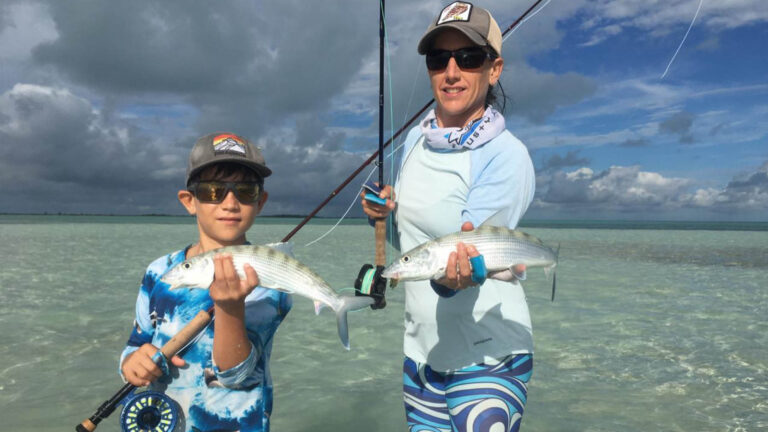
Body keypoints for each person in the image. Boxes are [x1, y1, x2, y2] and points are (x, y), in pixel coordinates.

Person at [361, 3, 536, 431]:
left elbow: (475, 254)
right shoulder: (416, 144)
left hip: (489, 355)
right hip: (422, 357)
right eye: (439, 59)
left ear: (494, 69)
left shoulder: (506, 155)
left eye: (469, 57)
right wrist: (383, 217)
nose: (452, 71)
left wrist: (447, 277)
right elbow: (416, 249)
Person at [120, 132, 292, 432]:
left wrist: (230, 307)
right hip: (162, 420)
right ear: (189, 201)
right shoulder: (160, 271)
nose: (230, 202)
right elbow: (137, 342)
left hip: (240, 422)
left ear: (260, 202)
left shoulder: (268, 279)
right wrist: (130, 363)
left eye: (245, 191)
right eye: (213, 191)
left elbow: (235, 375)